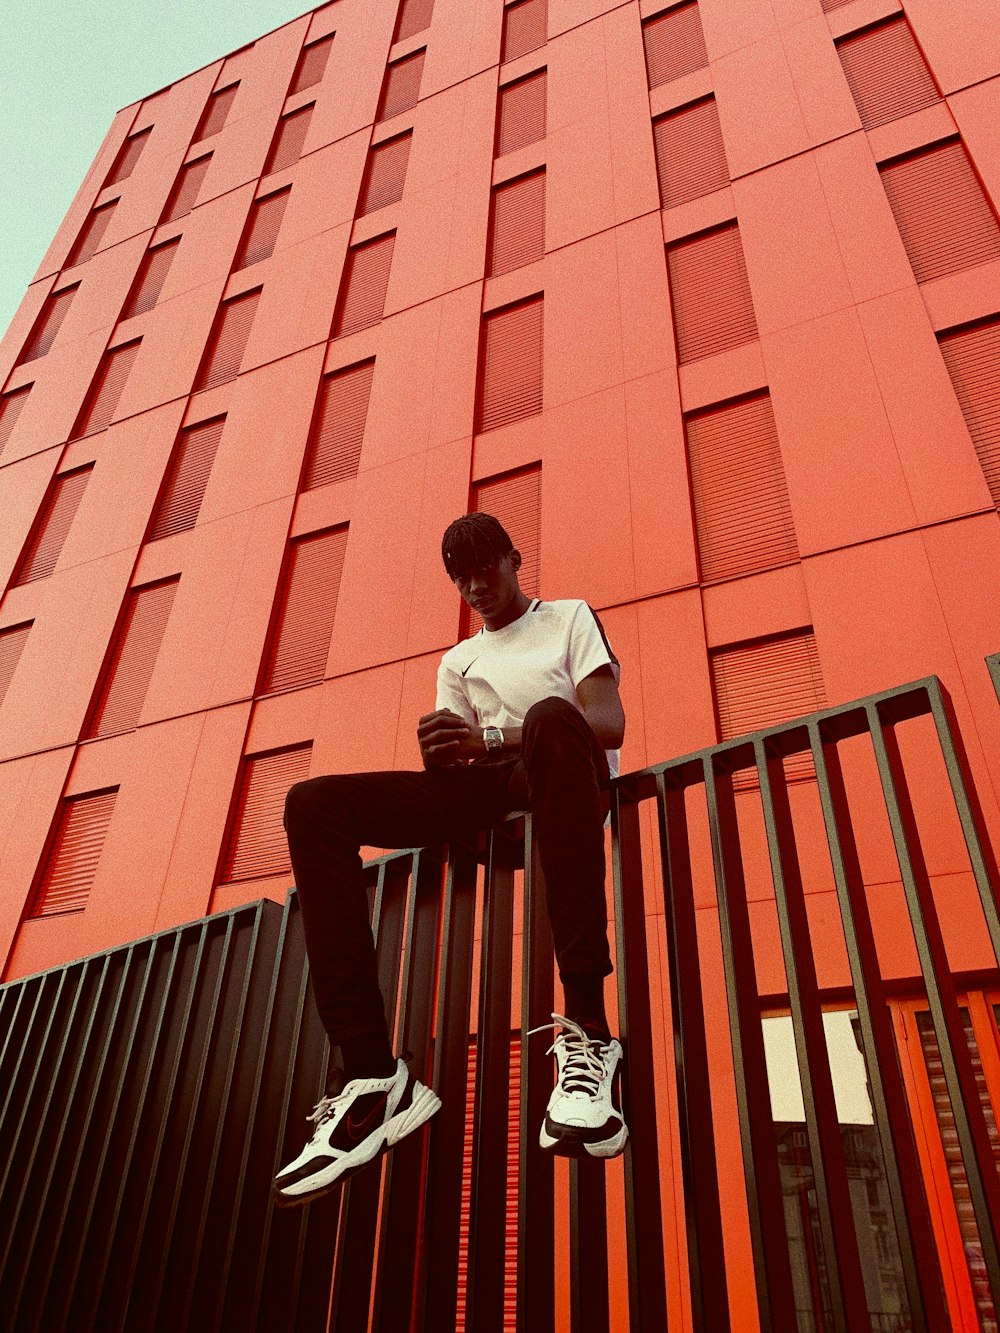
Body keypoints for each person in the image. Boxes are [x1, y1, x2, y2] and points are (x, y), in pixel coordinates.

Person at [273, 513, 629, 1208]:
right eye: (461, 578)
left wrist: (490, 732)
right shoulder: (457, 662)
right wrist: (441, 747)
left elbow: (608, 721)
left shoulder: (568, 618)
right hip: (483, 789)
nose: (476, 585)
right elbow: (454, 767)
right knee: (311, 804)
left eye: (486, 569)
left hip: (562, 769)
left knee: (554, 716)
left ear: (514, 559)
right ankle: (375, 1076)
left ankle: (589, 1025)